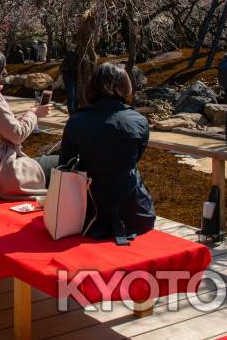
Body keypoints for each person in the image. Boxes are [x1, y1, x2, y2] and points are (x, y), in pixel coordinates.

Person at [58, 63, 155, 241]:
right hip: (135, 212)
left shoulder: (77, 121)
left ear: (92, 86)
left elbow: (64, 164)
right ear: (126, 86)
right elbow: (135, 158)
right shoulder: (139, 121)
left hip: (87, 213)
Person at [0, 46, 55, 199]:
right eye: (1, 69)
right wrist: (34, 114)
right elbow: (17, 135)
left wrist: (30, 113)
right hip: (1, 169)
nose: (3, 73)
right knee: (59, 164)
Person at [60, 47, 79, 116]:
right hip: (69, 74)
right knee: (71, 95)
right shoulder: (73, 53)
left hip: (73, 75)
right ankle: (72, 115)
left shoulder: (79, 53)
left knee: (75, 95)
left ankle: (75, 113)